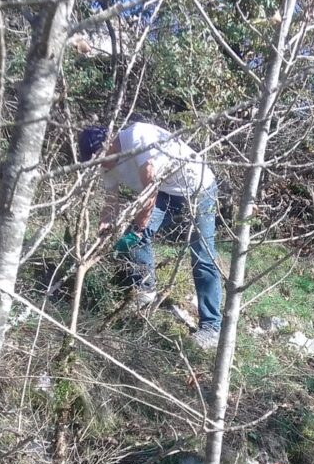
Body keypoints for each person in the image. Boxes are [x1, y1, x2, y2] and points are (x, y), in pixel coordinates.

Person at [78, 122, 223, 349]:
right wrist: (105, 227)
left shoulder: (138, 137)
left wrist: (139, 224)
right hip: (167, 191)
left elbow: (150, 187)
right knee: (134, 237)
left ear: (108, 143)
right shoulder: (105, 164)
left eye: (100, 157)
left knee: (202, 255)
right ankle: (145, 292)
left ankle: (212, 327)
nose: (100, 165)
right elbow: (111, 201)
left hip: (198, 186)